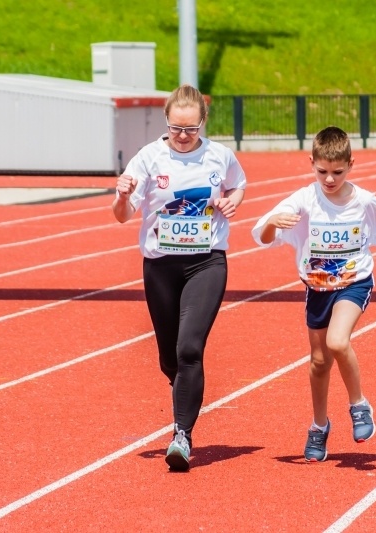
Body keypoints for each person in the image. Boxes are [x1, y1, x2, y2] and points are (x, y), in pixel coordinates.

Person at [252, 126, 376, 462]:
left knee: (337, 342)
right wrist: (274, 222)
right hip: (317, 288)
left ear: (351, 165)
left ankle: (359, 405)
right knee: (318, 362)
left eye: (338, 172)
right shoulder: (303, 199)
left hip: (354, 282)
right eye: (323, 172)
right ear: (311, 163)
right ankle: (318, 426)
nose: (330, 180)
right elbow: (264, 235)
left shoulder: (363, 201)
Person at [112, 84, 246, 472]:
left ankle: (181, 435)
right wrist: (122, 196)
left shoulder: (220, 156)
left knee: (190, 349)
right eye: (176, 129)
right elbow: (122, 215)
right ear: (166, 123)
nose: (183, 136)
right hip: (160, 266)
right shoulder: (148, 158)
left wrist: (230, 201)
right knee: (169, 359)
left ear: (203, 122)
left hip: (206, 262)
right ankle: (184, 393)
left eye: (191, 129)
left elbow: (238, 186)